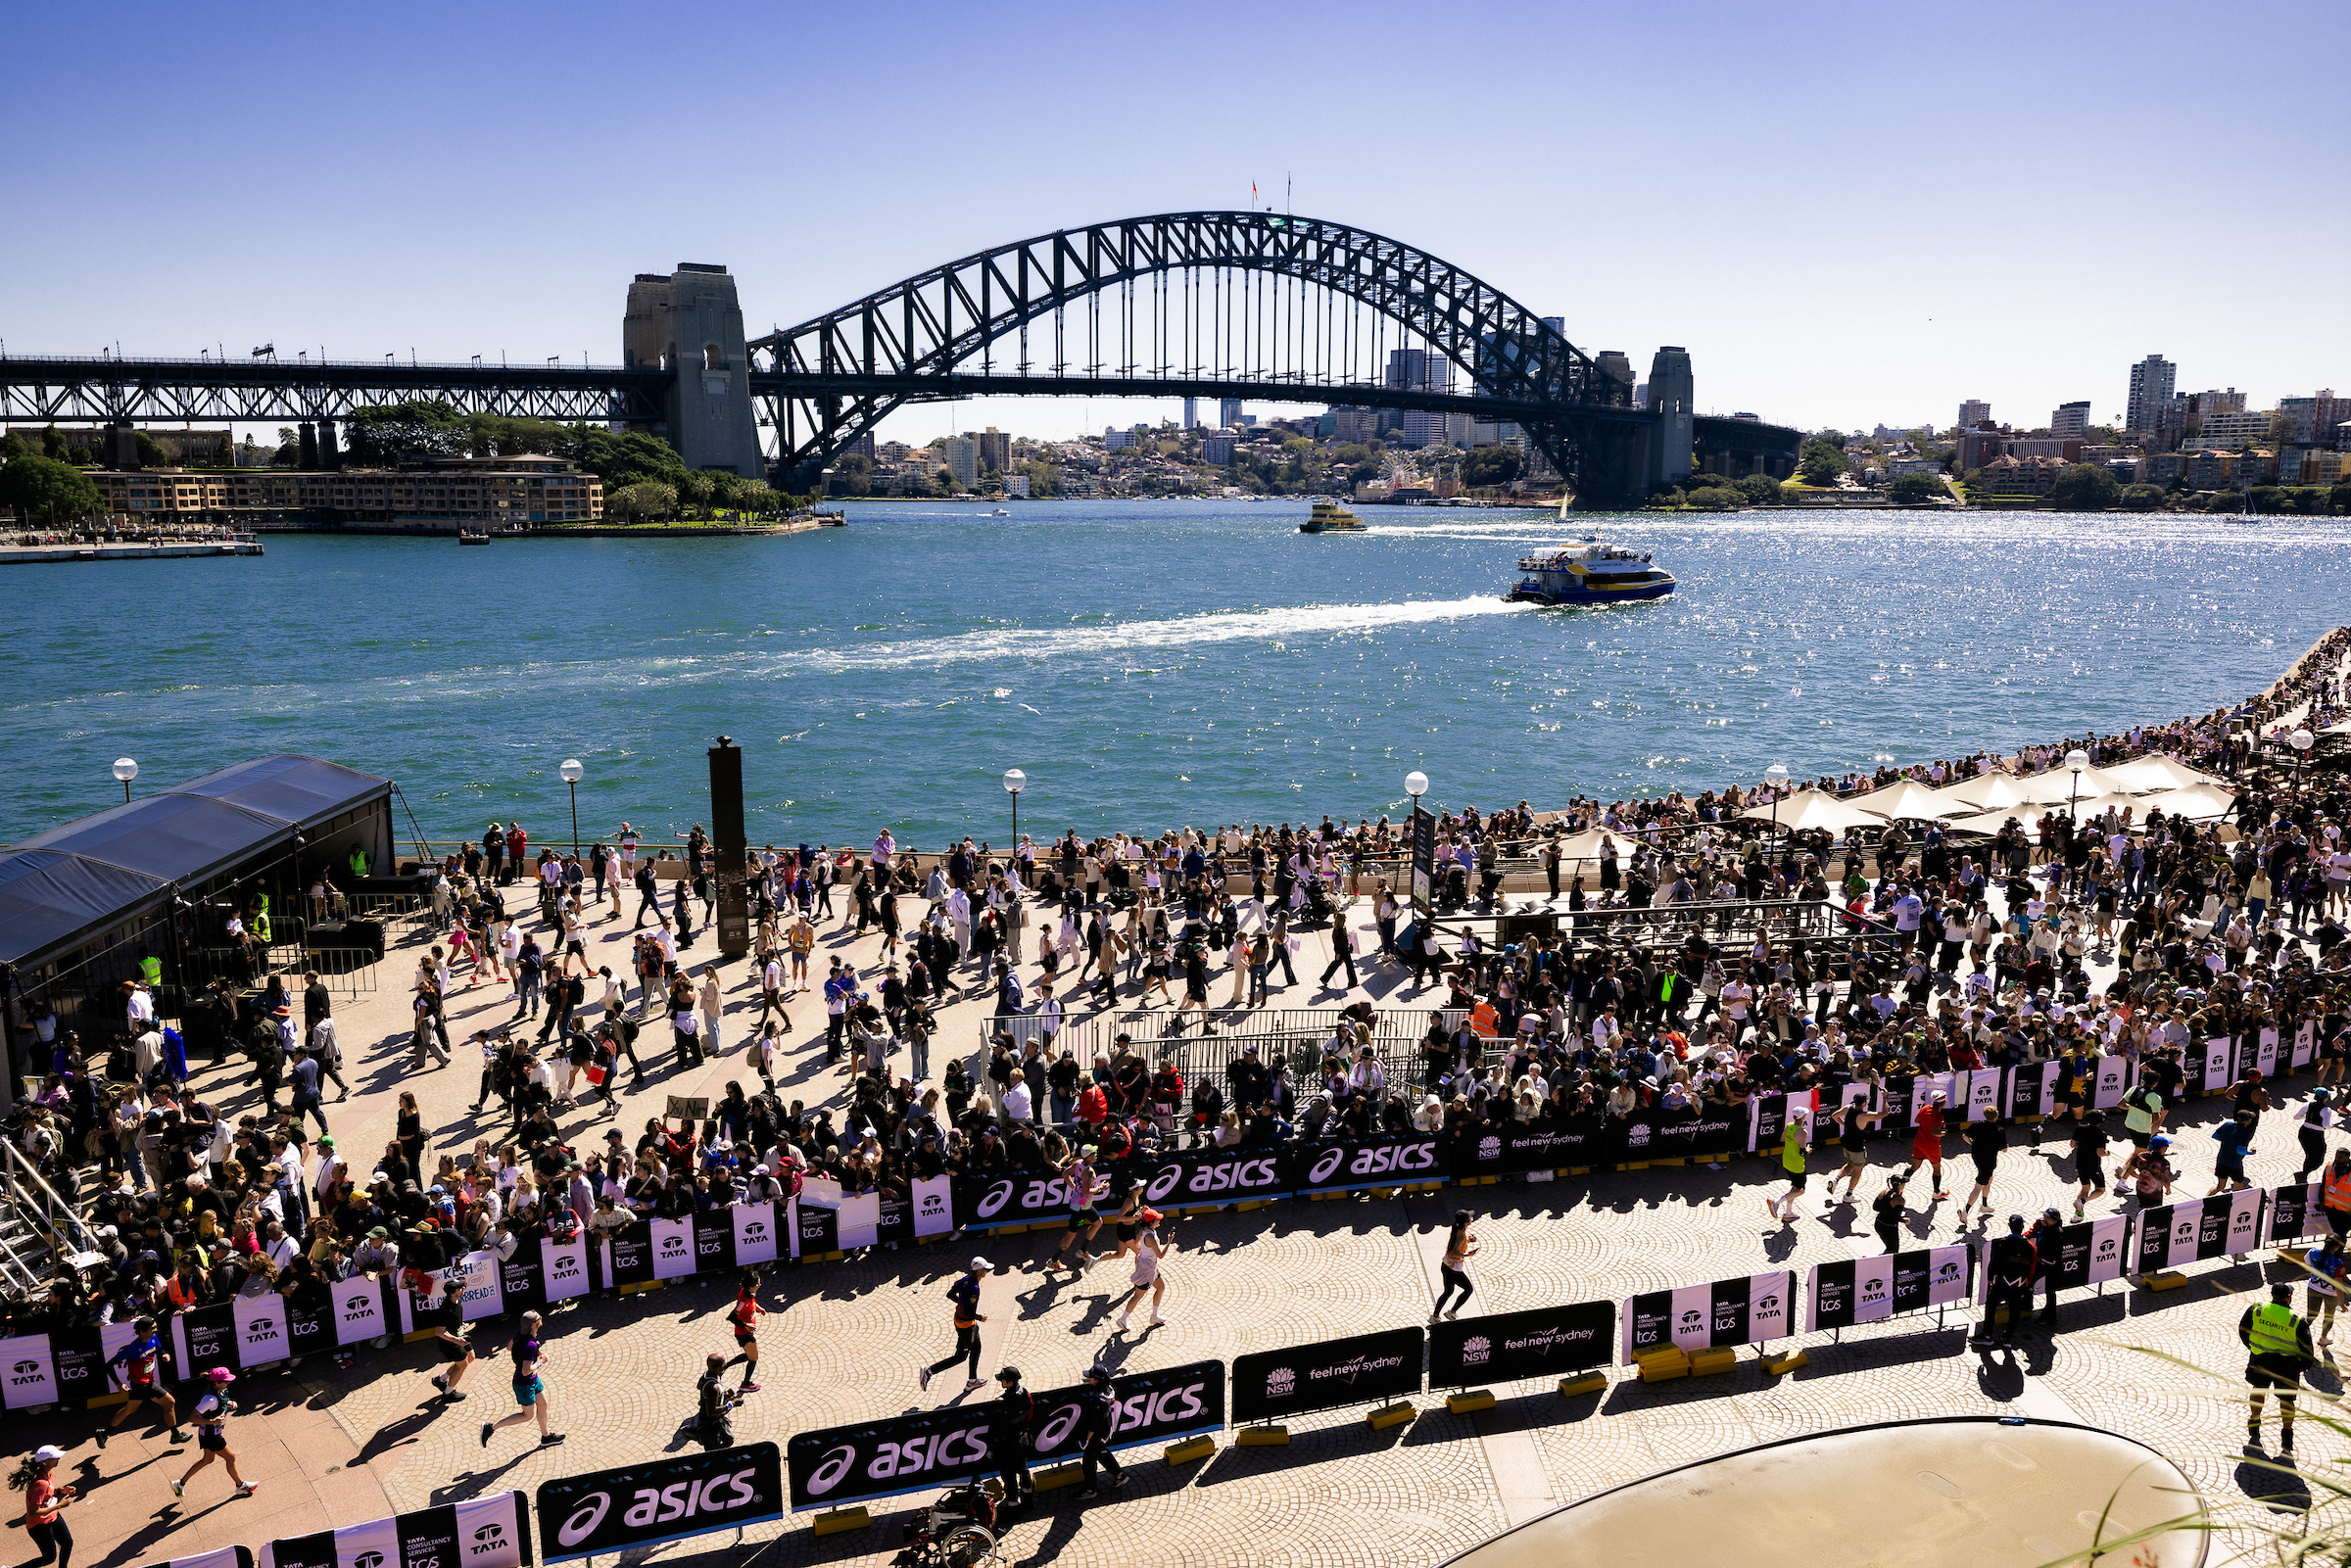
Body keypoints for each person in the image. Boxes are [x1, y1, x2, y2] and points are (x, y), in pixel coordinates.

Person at [2240, 1281, 2317, 1451]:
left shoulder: (2257, 1309)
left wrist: (2253, 1348)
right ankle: (2287, 1435)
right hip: (2286, 1365)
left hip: (2260, 1359)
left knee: (2258, 1389)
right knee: (2287, 1399)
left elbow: (2243, 1330)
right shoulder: (2296, 1320)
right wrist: (2299, 1366)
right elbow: (2307, 1351)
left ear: (2272, 1295)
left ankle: (2254, 1421)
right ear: (2289, 1297)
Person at [481, 1310, 562, 1449]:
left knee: (543, 1404)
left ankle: (546, 1436)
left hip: (532, 1380)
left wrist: (531, 1354)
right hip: (524, 1384)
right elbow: (526, 1371)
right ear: (534, 1324)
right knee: (527, 1415)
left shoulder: (521, 1333)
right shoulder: (530, 1345)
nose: (541, 1318)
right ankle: (491, 1428)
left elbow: (509, 1347)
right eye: (539, 1318)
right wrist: (540, 1362)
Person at [169, 1368, 254, 1499]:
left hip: (209, 1433)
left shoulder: (220, 1391)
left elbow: (221, 1401)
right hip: (211, 1435)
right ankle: (240, 1485)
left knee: (207, 1459)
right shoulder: (209, 1399)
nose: (228, 1383)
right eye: (226, 1381)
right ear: (217, 1383)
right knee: (231, 1457)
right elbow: (192, 1418)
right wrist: (212, 1421)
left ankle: (179, 1484)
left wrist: (229, 1403)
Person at [99, 1315, 183, 1446]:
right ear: (142, 1331)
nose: (156, 1330)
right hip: (142, 1385)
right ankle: (175, 1434)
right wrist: (118, 1384)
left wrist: (164, 1354)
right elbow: (108, 1366)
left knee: (129, 1410)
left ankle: (104, 1433)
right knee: (170, 1402)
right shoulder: (132, 1349)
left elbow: (159, 1349)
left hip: (146, 1382)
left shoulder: (153, 1338)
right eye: (153, 1328)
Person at [918, 1258, 991, 1393]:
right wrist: (980, 1317)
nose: (986, 1272)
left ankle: (972, 1381)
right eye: (985, 1270)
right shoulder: (974, 1288)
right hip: (966, 1326)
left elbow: (950, 1294)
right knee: (960, 1357)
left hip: (962, 1321)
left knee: (976, 1347)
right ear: (979, 1271)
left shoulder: (965, 1280)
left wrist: (960, 1303)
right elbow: (968, 1312)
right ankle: (929, 1372)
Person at [1977, 1214, 2038, 1350]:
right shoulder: (2030, 1247)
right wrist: (2027, 1282)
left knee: (1991, 1305)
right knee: (2015, 1311)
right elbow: (2032, 1267)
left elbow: (1993, 1263)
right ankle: (2008, 1338)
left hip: (2001, 1282)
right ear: (2022, 1227)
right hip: (2019, 1284)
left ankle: (1987, 1335)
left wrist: (1990, 1278)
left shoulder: (1999, 1243)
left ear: (2009, 1226)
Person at [12, 1447, 75, 1568]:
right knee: (49, 1558)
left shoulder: (47, 1473)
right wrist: (59, 1505)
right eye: (54, 1457)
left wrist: (61, 1490)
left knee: (67, 1543)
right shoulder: (40, 1483)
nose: (58, 1458)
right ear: (44, 1462)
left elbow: (47, 1493)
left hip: (53, 1517)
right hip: (39, 1526)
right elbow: (33, 1512)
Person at [1076, 1364, 1128, 1498]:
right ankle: (1119, 1475)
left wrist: (1087, 1440)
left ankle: (1090, 1490)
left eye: (1090, 1377)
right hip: (1105, 1428)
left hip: (1097, 1433)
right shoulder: (1107, 1389)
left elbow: (1093, 1425)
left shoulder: (1099, 1402)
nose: (1088, 1379)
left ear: (1097, 1380)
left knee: (1088, 1460)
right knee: (1100, 1452)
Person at [1113, 1213, 1170, 1331]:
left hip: (1149, 1266)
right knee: (1137, 1296)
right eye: (1157, 1219)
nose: (1159, 1221)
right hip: (1146, 1270)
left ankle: (1154, 1316)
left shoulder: (1144, 1230)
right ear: (1151, 1222)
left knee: (1161, 1287)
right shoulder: (1150, 1237)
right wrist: (1169, 1242)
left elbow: (1137, 1242)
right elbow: (1160, 1255)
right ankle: (1122, 1319)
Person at [990, 1366, 1036, 1509]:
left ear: (1010, 1383)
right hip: (1023, 1439)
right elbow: (1030, 1416)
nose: (1001, 1382)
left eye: (1003, 1380)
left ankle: (1013, 1504)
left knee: (1009, 1475)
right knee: (1023, 1469)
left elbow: (998, 1427)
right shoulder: (1026, 1394)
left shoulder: (1003, 1402)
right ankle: (1028, 1500)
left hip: (1008, 1444)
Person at [1959, 1111, 2008, 1224]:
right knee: (1979, 1185)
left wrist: (1973, 1144)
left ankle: (1984, 1205)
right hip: (1989, 1161)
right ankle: (1965, 1210)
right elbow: (2004, 1149)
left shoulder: (1977, 1125)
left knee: (1989, 1179)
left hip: (1977, 1157)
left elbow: (1965, 1136)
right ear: (1996, 1116)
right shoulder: (1999, 1130)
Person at [427, 1287, 474, 1403]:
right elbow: (439, 1332)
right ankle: (448, 1393)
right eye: (460, 1288)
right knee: (462, 1364)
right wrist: (456, 1340)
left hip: (460, 1336)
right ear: (453, 1292)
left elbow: (454, 1319)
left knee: (471, 1357)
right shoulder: (445, 1309)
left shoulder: (456, 1301)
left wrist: (461, 1324)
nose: (464, 1289)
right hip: (450, 1342)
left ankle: (441, 1380)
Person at [726, 1269, 767, 1395]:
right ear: (750, 1285)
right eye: (758, 1284)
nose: (759, 1286)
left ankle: (725, 1366)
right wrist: (746, 1325)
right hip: (743, 1333)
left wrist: (758, 1308)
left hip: (746, 1332)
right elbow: (732, 1317)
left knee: (750, 1355)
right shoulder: (743, 1300)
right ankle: (746, 1384)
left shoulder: (749, 1293)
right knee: (753, 1357)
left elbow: (752, 1302)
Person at [1902, 1090, 1949, 1201]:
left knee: (1914, 1167)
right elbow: (1935, 1133)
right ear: (1943, 1103)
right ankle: (1936, 1192)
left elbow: (1917, 1120)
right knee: (1936, 1168)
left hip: (1919, 1142)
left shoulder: (1925, 1108)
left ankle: (1900, 1185)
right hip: (1931, 1146)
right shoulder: (1938, 1116)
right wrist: (1943, 1133)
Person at [2305, 1230, 2348, 1350]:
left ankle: (2299, 1333)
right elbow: (2338, 1285)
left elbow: (2307, 1263)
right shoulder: (2338, 1263)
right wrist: (2341, 1303)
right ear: (2337, 1247)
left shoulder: (2312, 1252)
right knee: (2329, 1316)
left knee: (2311, 1314)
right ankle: (2323, 1338)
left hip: (2313, 1288)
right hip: (2330, 1294)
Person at [1432, 1211, 1477, 1321]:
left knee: (1448, 1291)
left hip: (1446, 1265)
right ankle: (1452, 1312)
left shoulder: (1457, 1230)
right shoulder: (1461, 1235)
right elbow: (1453, 1253)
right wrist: (1468, 1255)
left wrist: (1468, 1240)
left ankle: (1435, 1316)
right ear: (1466, 1221)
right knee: (1468, 1289)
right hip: (1454, 1269)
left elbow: (1457, 1244)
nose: (1471, 1218)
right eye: (1470, 1217)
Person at [1767, 1108, 1809, 1225]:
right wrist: (1808, 1150)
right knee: (1801, 1190)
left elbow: (1782, 1139)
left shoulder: (1789, 1126)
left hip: (1786, 1161)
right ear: (1803, 1117)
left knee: (1795, 1188)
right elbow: (1802, 1153)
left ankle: (1788, 1213)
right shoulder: (1803, 1132)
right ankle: (1776, 1202)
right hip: (1796, 1165)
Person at [2069, 1111, 2111, 1220]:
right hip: (2093, 1165)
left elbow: (2072, 1144)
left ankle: (2078, 1215)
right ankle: (2082, 1201)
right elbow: (2100, 1153)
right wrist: (2107, 1153)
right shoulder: (2100, 1134)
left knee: (2085, 1188)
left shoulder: (2079, 1129)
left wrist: (2082, 1144)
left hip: (2080, 1163)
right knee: (2100, 1189)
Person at [694, 1352, 739, 1449]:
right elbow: (711, 1412)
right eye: (723, 1366)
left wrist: (723, 1394)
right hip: (710, 1425)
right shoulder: (713, 1388)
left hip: (715, 1419)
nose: (725, 1367)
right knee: (713, 1450)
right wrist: (732, 1404)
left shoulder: (707, 1375)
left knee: (728, 1440)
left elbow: (699, 1386)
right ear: (715, 1367)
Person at [2029, 1208, 2066, 1324]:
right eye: (2044, 1216)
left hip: (2051, 1265)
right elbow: (2034, 1233)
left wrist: (2040, 1259)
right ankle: (2027, 1306)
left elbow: (2050, 1250)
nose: (2044, 1218)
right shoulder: (2044, 1226)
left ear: (2054, 1220)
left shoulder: (2057, 1233)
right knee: (2029, 1281)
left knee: (2050, 1292)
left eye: (2047, 1217)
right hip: (2042, 1262)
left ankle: (2050, 1318)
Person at [1871, 1176, 1907, 1254]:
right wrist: (1905, 1220)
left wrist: (1885, 1209)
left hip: (1878, 1223)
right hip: (1889, 1227)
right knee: (1893, 1250)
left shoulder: (1883, 1192)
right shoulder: (1899, 1200)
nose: (1904, 1185)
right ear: (1900, 1185)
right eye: (1904, 1184)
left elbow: (1875, 1207)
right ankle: (1877, 1260)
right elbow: (1895, 1217)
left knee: (1889, 1248)